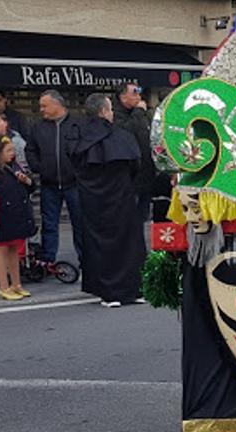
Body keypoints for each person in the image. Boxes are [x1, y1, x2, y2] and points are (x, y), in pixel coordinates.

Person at [68, 93, 145, 308]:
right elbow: (135, 165)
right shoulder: (121, 136)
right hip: (122, 197)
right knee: (128, 243)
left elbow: (74, 164)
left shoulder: (77, 134)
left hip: (94, 199)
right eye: (110, 109)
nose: (112, 113)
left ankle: (109, 292)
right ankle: (133, 289)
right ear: (103, 111)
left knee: (100, 245)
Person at [26, 90, 84, 266]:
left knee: (80, 223)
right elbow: (30, 150)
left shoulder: (77, 124)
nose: (41, 109)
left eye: (44, 105)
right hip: (49, 183)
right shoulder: (38, 127)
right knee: (49, 223)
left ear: (57, 105)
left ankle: (86, 259)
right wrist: (39, 167)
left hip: (75, 183)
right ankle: (48, 259)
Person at [0, 135, 36, 301]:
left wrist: (28, 182)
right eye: (8, 150)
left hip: (17, 213)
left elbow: (31, 188)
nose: (13, 153)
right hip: (1, 215)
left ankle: (16, 284)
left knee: (14, 249)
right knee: (1, 249)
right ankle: (3, 286)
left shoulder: (14, 168)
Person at [113, 83, 159, 224]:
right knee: (127, 219)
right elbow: (127, 132)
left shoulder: (144, 114)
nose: (139, 97)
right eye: (134, 93)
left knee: (142, 217)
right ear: (123, 97)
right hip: (128, 178)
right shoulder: (116, 115)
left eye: (139, 93)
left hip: (146, 175)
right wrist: (138, 112)